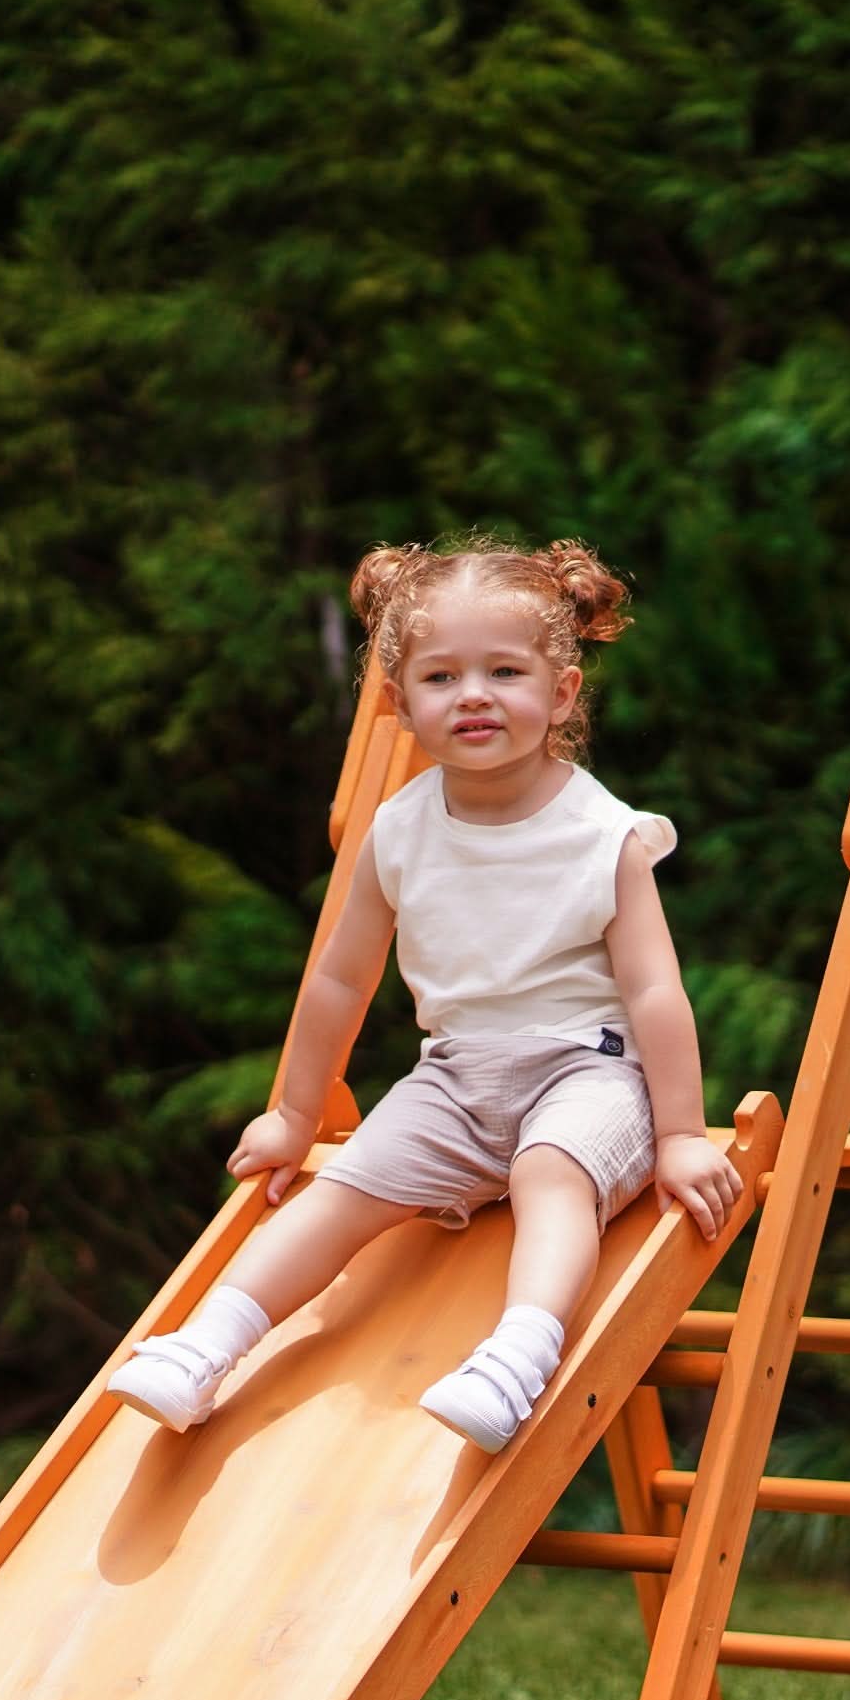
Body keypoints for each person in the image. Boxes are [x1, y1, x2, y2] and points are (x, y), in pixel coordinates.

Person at [106, 535, 743, 1452]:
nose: (473, 694)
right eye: (441, 678)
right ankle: (207, 1348)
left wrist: (681, 1134)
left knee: (548, 1174)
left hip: (589, 1077)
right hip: (454, 1079)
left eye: (503, 671)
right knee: (340, 1192)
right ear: (402, 706)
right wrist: (293, 1112)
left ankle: (518, 1355)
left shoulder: (603, 832)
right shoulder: (398, 831)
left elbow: (654, 994)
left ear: (559, 693)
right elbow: (339, 976)